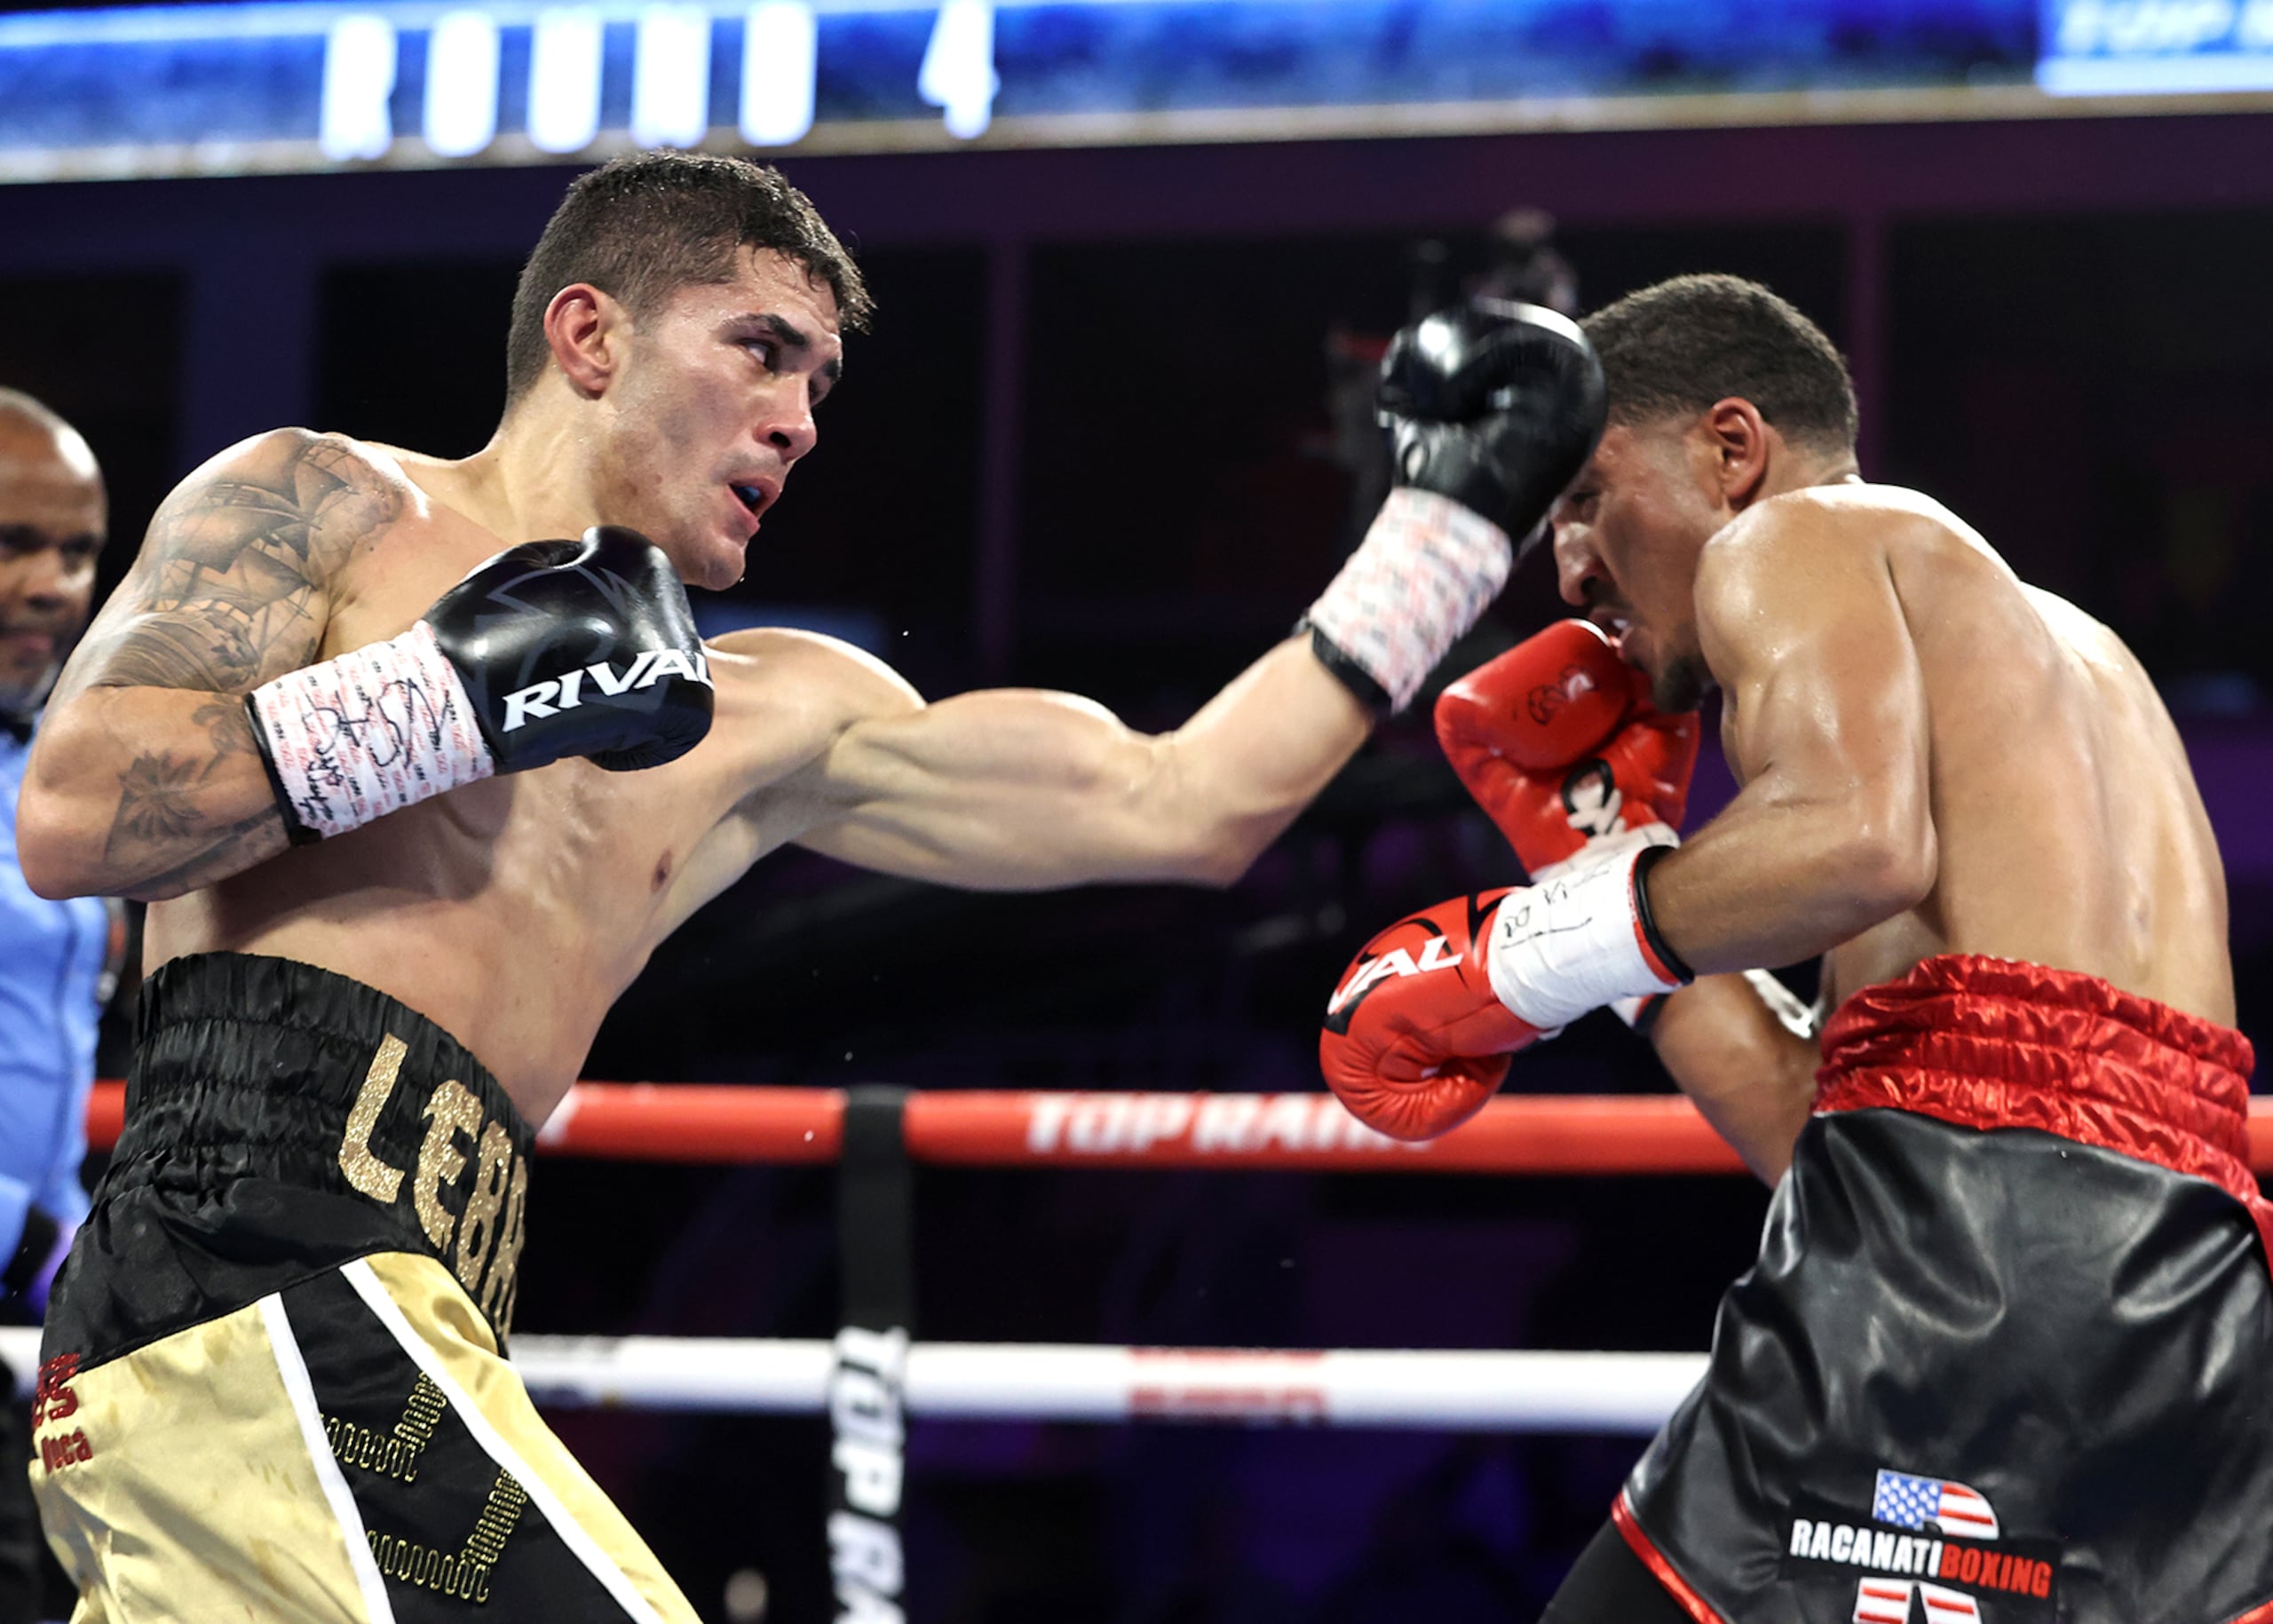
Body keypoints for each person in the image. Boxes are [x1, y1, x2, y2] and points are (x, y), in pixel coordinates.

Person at [14, 151, 1604, 1620]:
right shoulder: (327, 501)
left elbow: (1183, 806)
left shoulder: (766, 711)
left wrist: (1445, 533)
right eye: (761, 349)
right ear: (589, 334)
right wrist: (457, 696)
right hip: (242, 1286)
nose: (802, 417)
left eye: (823, 382)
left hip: (413, 1320)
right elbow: (73, 815)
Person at [1319, 273, 2273, 1624]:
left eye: (1587, 494)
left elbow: (1856, 840)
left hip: (1952, 1285)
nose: (1569, 561)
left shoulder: (1805, 537)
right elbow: (1838, 1132)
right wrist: (1601, 855)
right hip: (2179, 1314)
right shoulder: (2077, 664)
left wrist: (1518, 956)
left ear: (1730, 449)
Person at [0, 391, 110, 1624]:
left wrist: (83, 1250)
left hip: (26, 1325)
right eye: (9, 543)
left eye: (75, 549)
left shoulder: (60, 769)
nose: (48, 585)